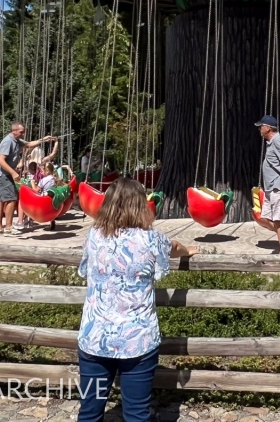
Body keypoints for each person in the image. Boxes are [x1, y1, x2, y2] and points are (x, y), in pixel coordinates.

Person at [77, 177, 196, 422]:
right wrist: (189, 251)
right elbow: (173, 246)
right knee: (136, 413)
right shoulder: (152, 240)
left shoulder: (94, 237)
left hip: (94, 337)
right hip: (137, 340)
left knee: (89, 411)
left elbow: (83, 268)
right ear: (140, 205)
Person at [0, 122, 55, 235]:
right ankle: (8, 227)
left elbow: (29, 144)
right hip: (2, 174)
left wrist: (44, 140)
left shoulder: (16, 140)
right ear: (14, 131)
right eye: (21, 132)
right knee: (12, 198)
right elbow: (1, 160)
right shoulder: (8, 142)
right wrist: (13, 173)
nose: (23, 134)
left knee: (0, 201)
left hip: (2, 174)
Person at [253, 115, 280, 255]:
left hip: (277, 187)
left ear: (268, 128)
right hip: (270, 188)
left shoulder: (278, 140)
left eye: (261, 126)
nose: (259, 129)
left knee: (278, 220)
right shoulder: (271, 142)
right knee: (265, 219)